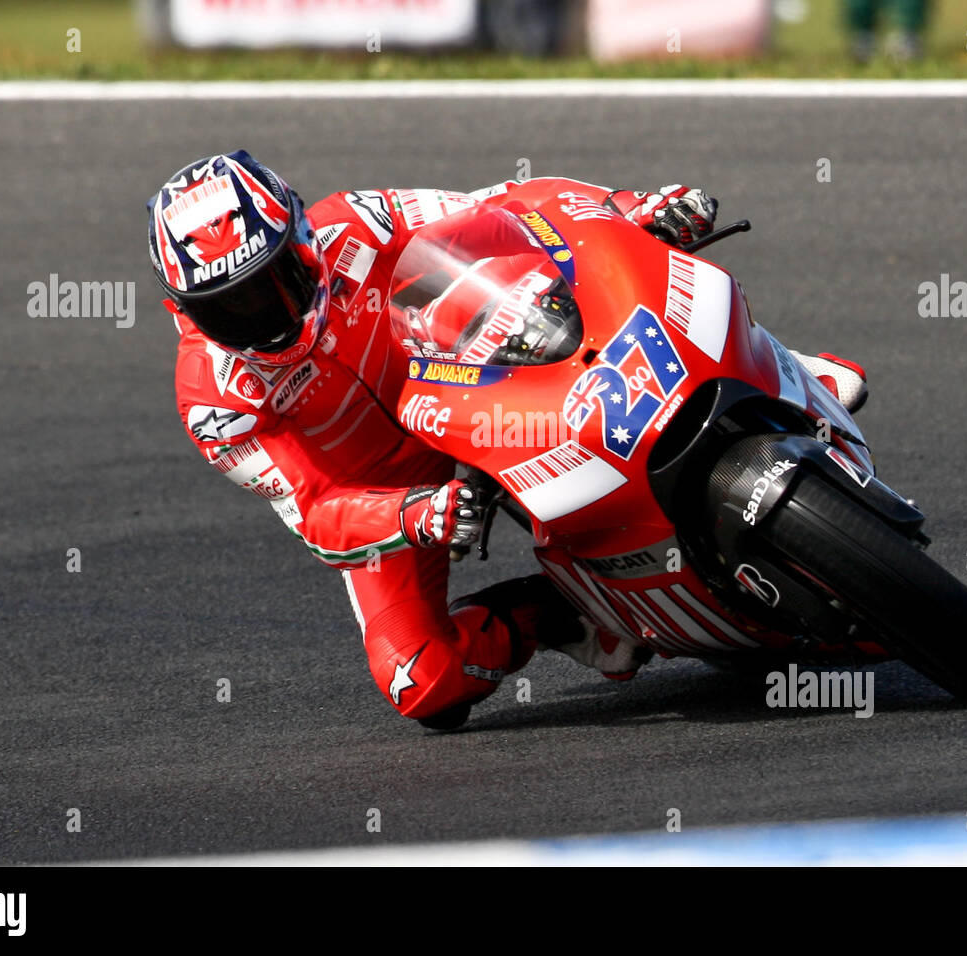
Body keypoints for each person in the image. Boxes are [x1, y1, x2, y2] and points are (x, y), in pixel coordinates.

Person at [147, 150, 867, 730]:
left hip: (466, 377)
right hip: (399, 490)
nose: (264, 313)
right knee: (419, 682)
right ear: (184, 310)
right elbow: (317, 511)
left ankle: (782, 372)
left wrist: (626, 208)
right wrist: (413, 516)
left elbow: (501, 205)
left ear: (303, 241)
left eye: (275, 280)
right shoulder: (214, 401)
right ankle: (564, 614)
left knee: (600, 309)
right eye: (230, 306)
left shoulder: (358, 224)